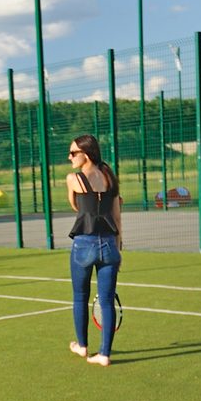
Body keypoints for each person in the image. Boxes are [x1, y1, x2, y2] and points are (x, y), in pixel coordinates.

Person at [65, 134, 122, 365]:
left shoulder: (73, 179)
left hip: (84, 244)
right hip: (109, 244)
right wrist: (119, 248)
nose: (69, 157)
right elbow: (117, 216)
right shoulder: (110, 176)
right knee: (106, 301)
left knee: (80, 297)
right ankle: (104, 354)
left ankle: (82, 346)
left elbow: (75, 206)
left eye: (73, 153)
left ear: (85, 154)